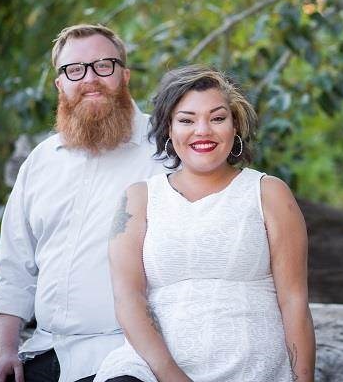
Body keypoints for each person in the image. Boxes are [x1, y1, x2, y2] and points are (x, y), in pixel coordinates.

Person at [94, 65, 316, 382]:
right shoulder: (138, 199)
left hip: (251, 367)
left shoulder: (269, 193)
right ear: (168, 129)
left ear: (235, 125)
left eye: (217, 118)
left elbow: (294, 300)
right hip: (153, 370)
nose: (203, 131)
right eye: (186, 120)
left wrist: (304, 379)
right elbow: (127, 298)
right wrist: (173, 377)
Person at [0, 24, 167, 382]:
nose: (90, 78)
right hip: (45, 351)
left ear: (125, 75)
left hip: (130, 357)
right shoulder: (40, 161)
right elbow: (15, 264)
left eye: (104, 65)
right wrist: (6, 350)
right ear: (60, 84)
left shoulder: (164, 152)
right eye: (75, 69)